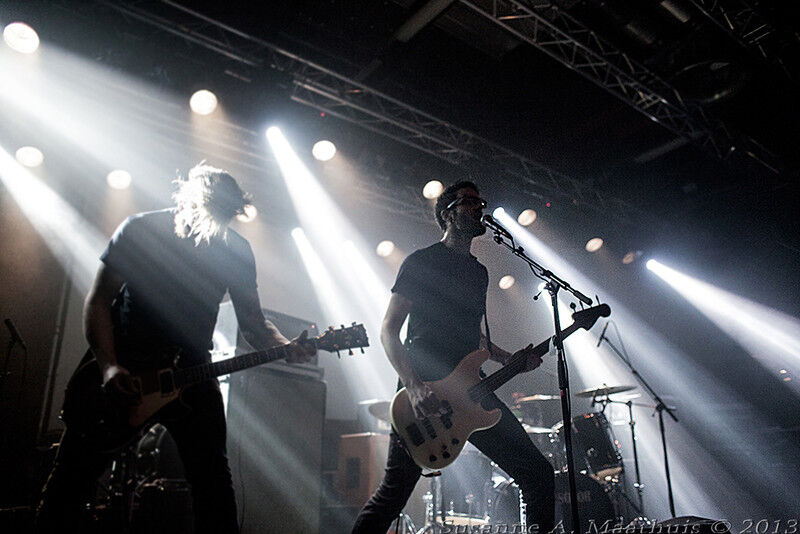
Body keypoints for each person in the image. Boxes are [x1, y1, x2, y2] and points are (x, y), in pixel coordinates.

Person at [35, 162, 316, 534]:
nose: (218, 228)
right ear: (191, 200)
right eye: (214, 214)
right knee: (71, 481)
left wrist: (284, 346)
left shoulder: (236, 249)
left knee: (213, 483)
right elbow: (99, 300)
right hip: (127, 370)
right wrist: (109, 366)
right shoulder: (140, 229)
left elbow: (254, 322)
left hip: (191, 371)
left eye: (227, 218)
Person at [351, 181, 555, 533]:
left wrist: (507, 359)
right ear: (447, 214)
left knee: (538, 474)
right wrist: (414, 387)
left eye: (481, 202)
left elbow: (473, 336)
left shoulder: (478, 272)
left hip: (471, 390)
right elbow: (389, 330)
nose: (479, 208)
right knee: (393, 494)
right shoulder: (421, 262)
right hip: (425, 390)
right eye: (470, 202)